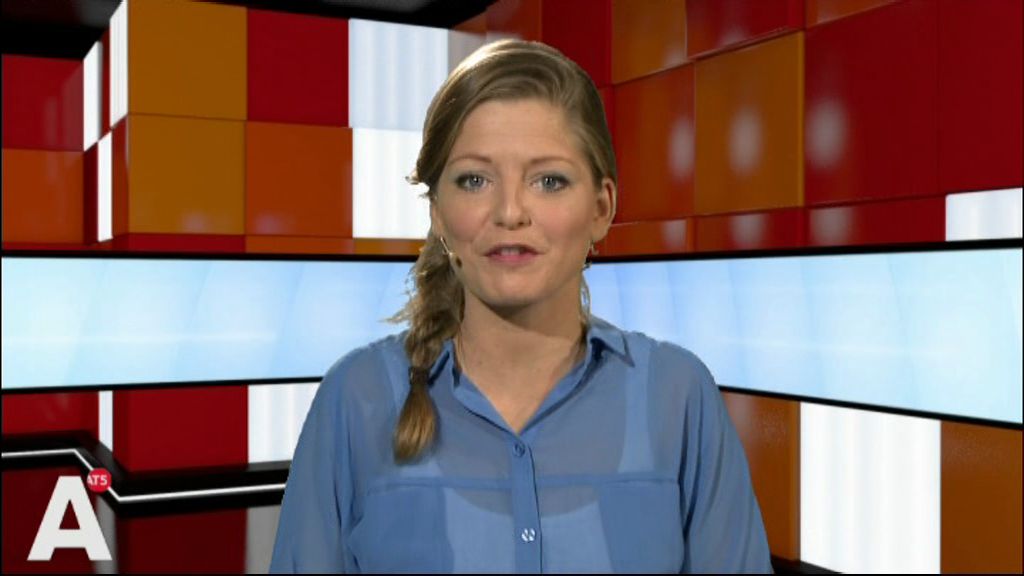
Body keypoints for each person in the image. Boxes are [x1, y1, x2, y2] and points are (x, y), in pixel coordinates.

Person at [269, 38, 773, 574]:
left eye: (549, 181)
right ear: (438, 213)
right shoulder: (355, 398)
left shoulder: (678, 396)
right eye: (474, 180)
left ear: (602, 207)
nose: (510, 212)